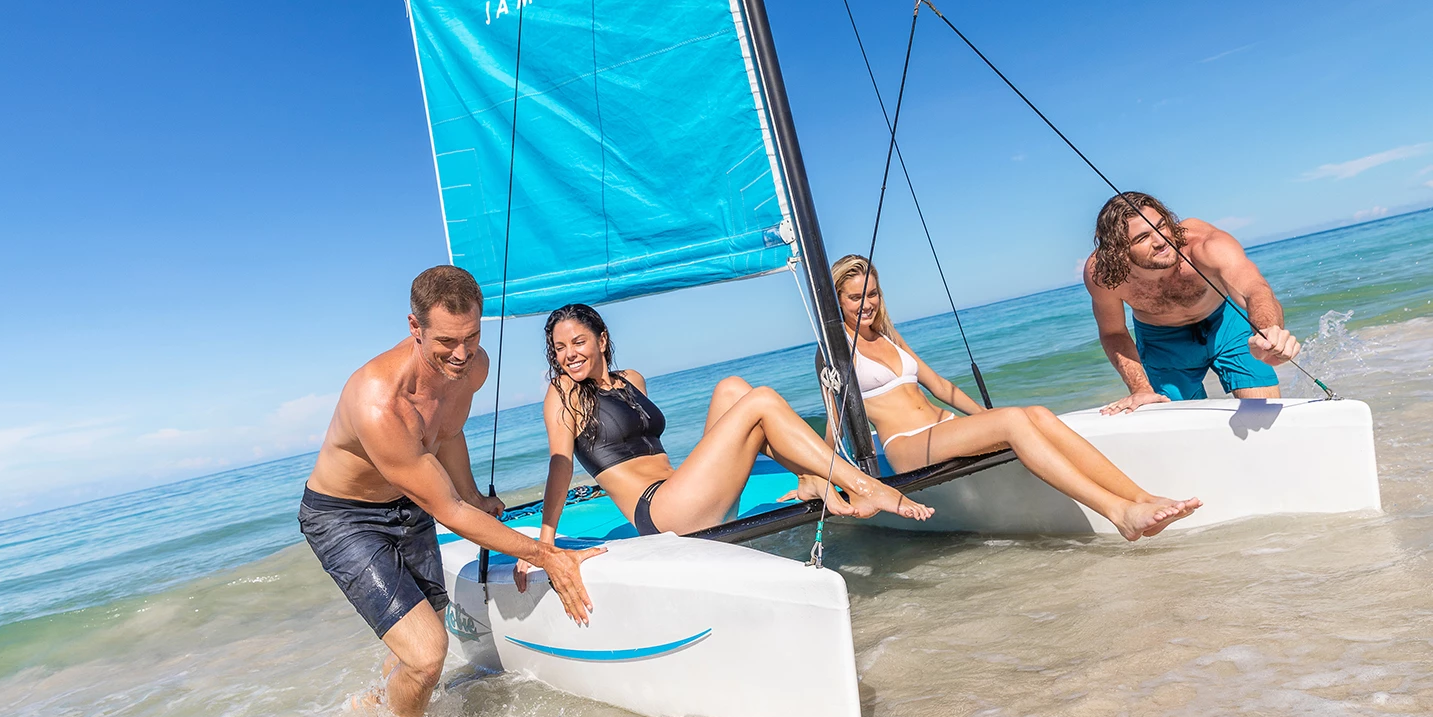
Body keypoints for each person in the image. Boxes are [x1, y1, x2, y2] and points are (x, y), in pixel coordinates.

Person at [299, 266, 605, 717]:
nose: (461, 354)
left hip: (409, 500)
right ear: (414, 327)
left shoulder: (472, 366)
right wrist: (547, 555)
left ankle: (382, 706)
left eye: (472, 336)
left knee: (422, 632)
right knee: (427, 656)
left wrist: (474, 495)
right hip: (346, 517)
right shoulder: (379, 401)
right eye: (446, 341)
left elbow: (449, 430)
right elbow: (449, 512)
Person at [515, 303, 931, 584]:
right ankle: (865, 485)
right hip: (663, 513)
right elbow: (560, 464)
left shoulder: (632, 381)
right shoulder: (563, 393)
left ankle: (808, 478)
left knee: (732, 388)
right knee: (762, 401)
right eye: (559, 347)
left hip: (691, 497)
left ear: (601, 340)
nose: (569, 354)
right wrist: (545, 543)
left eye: (578, 341)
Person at [825, 255, 1201, 542]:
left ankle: (1141, 498)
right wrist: (821, 476)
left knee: (1032, 413)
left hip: (944, 429)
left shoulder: (887, 335)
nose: (867, 304)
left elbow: (939, 386)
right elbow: (834, 417)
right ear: (837, 298)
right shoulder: (834, 351)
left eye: (872, 294)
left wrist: (988, 417)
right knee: (1013, 421)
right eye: (856, 297)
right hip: (906, 445)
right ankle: (1118, 513)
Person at [1082, 192, 1302, 414]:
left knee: (1262, 412)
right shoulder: (1102, 275)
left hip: (1225, 323)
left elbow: (1254, 290)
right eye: (1142, 238)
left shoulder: (1205, 245)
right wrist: (1140, 388)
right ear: (1118, 252)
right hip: (1162, 340)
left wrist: (1267, 332)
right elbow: (1113, 332)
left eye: (1161, 225)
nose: (1161, 241)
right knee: (1180, 417)